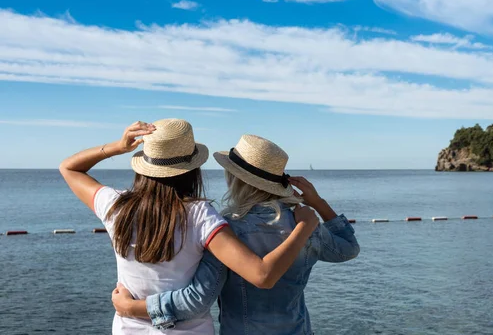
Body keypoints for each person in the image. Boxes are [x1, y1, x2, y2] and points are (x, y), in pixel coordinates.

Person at [60, 121, 319, 335]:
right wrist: (303, 227)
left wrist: (117, 147)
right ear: (192, 169)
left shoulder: (115, 206)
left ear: (144, 165)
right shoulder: (201, 216)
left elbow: (69, 167)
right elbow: (262, 275)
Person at [111, 134, 360, 334]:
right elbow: (349, 248)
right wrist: (318, 204)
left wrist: (133, 308)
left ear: (235, 179)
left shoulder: (228, 230)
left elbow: (198, 298)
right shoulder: (303, 224)